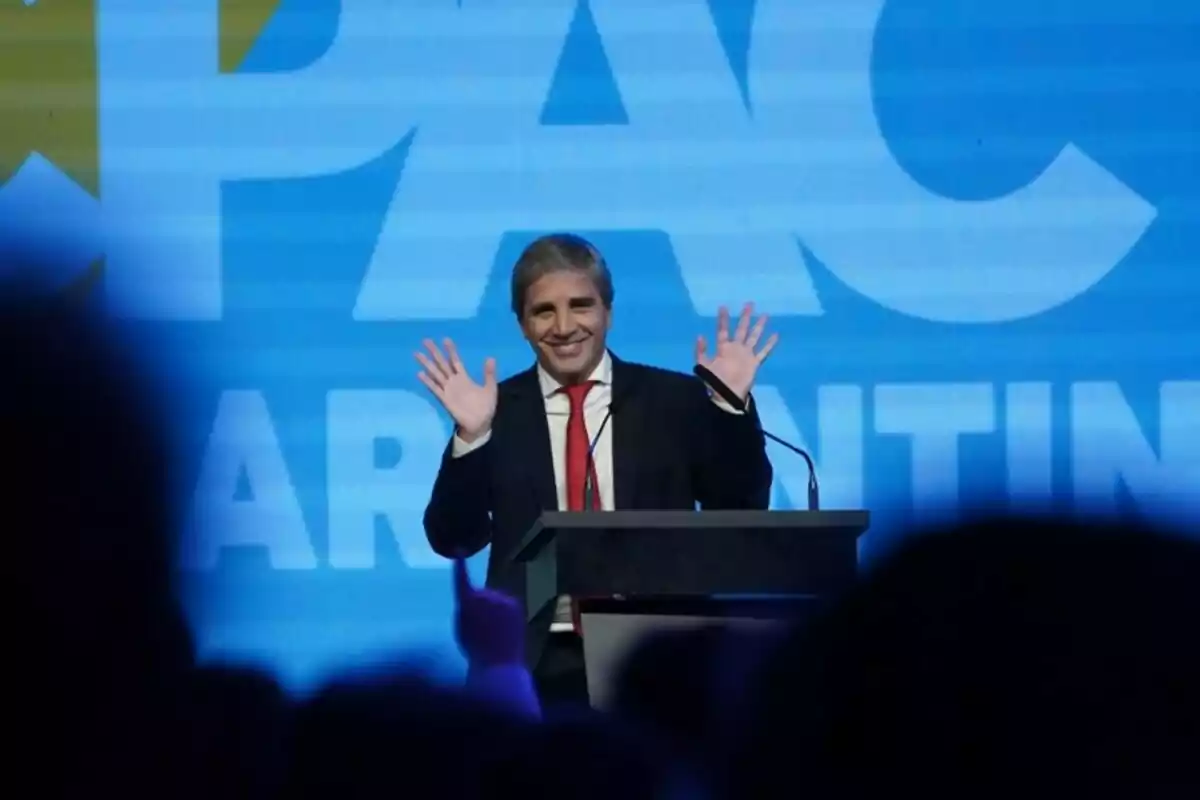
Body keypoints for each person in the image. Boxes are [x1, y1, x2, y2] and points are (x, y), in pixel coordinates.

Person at [418, 233, 776, 704]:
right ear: (522, 324)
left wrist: (730, 411)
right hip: (535, 661)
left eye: (581, 305)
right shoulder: (494, 410)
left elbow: (736, 510)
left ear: (607, 311)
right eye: (543, 311)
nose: (564, 326)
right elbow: (454, 538)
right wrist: (471, 438)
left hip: (657, 651)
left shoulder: (672, 399)